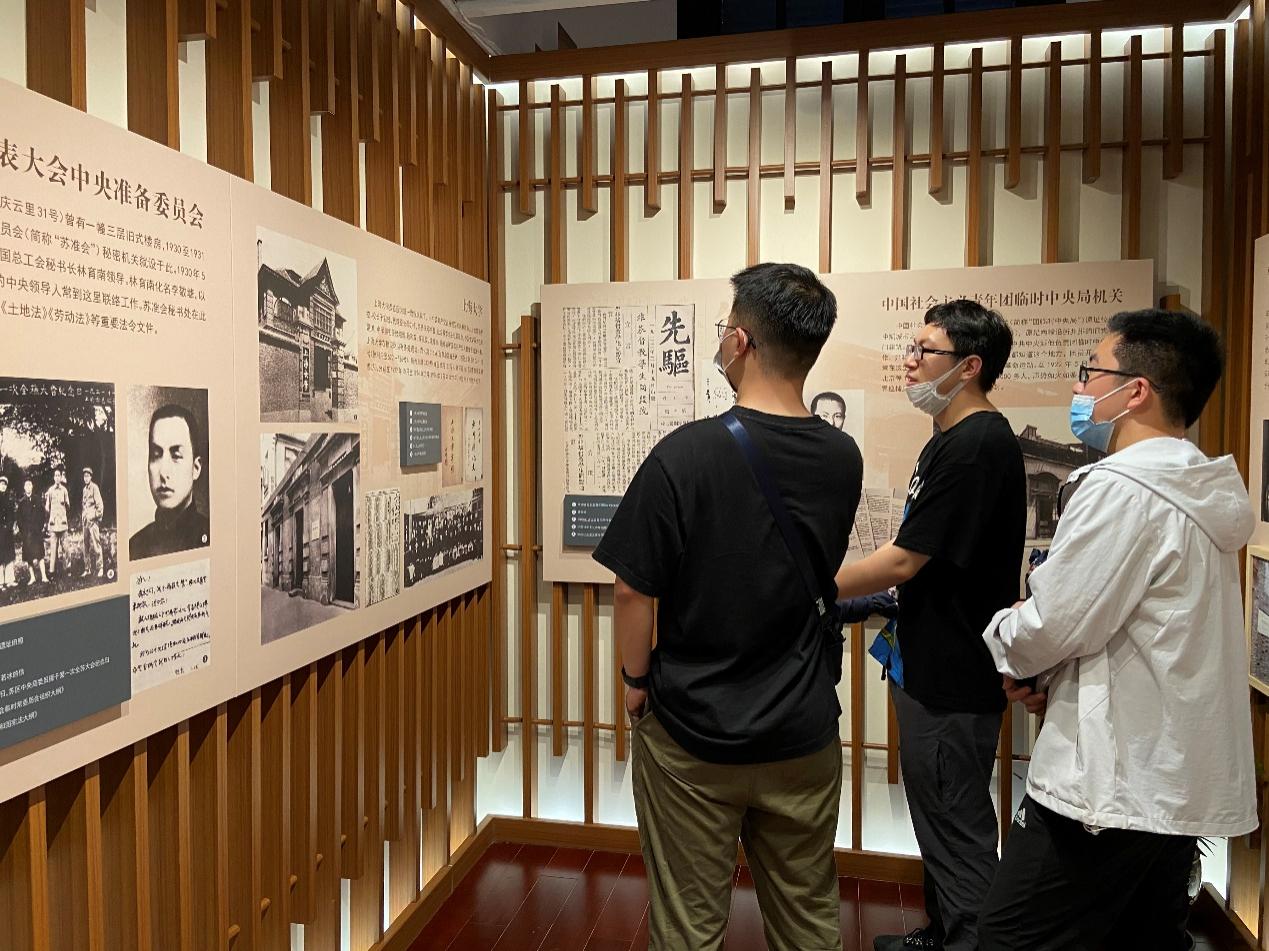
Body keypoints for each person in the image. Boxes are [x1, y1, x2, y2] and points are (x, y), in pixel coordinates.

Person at [593, 263, 868, 951]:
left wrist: (634, 682)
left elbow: (632, 589)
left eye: (724, 329)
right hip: (802, 727)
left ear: (740, 341)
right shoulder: (843, 457)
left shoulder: (685, 454)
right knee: (809, 918)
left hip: (693, 729)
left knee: (689, 926)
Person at [977, 309, 1257, 950]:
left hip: (1109, 784)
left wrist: (1007, 638)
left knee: (1009, 939)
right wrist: (1046, 671)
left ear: (1136, 391)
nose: (1079, 389)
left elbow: (1054, 623)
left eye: (1090, 372)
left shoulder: (1124, 488)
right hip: (1168, 776)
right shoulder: (1194, 486)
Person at [834, 300, 1025, 951]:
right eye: (910, 347)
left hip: (951, 676)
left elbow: (905, 558)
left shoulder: (976, 445)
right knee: (938, 819)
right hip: (928, 661)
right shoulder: (949, 437)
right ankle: (943, 933)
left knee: (956, 825)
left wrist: (812, 584)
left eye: (925, 350)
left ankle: (969, 940)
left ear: (969, 366)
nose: (909, 361)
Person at [129, 404, 210, 560]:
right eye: (156, 455)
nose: (164, 472)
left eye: (176, 456)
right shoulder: (135, 547)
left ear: (196, 468)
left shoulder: (212, 535)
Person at [16, 477, 47, 585]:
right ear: (24, 488)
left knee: (40, 554)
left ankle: (44, 576)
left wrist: (40, 527)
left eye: (30, 485)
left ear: (32, 487)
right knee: (28, 555)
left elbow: (42, 514)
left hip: (37, 532)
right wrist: (23, 531)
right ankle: (32, 577)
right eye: (26, 485)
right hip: (27, 534)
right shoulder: (21, 502)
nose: (28, 487)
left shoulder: (37, 500)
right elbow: (19, 519)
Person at [43, 465, 69, 577]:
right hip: (53, 524)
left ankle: (67, 569)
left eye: (59, 475)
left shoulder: (64, 490)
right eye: (56, 475)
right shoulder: (50, 490)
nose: (57, 477)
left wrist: (64, 508)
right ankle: (52, 571)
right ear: (54, 478)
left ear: (61, 477)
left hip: (62, 523)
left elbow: (68, 506)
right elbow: (47, 507)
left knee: (66, 547)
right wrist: (51, 515)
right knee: (53, 548)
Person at [79, 466, 104, 578]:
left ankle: (100, 567)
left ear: (91, 477)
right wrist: (84, 516)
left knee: (96, 543)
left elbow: (100, 505)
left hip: (93, 521)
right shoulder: (84, 489)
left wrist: (95, 517)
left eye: (88, 476)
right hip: (85, 521)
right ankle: (87, 568)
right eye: (84, 476)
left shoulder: (95, 488)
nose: (86, 478)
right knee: (85, 544)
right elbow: (84, 505)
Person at [0, 475, 14, 588]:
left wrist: (9, 526)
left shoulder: (9, 499)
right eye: (1, 484)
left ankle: (9, 580)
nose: (3, 486)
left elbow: (12, 515)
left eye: (5, 484)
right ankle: (0, 581)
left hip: (8, 531)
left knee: (9, 554)